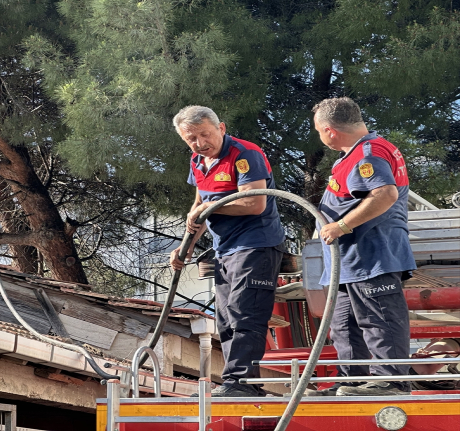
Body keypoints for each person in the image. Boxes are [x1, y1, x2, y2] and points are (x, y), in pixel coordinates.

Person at [169, 105, 285, 397]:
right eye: (191, 139)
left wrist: (213, 206)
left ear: (220, 127)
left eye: (205, 134)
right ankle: (239, 383)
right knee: (226, 319)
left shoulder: (245, 154)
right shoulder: (197, 161)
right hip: (225, 250)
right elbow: (198, 212)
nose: (200, 143)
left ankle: (241, 383)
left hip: (256, 244)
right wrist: (185, 249)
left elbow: (254, 203)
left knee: (245, 315)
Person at [312, 97, 416, 396]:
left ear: (330, 131)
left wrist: (341, 226)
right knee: (344, 326)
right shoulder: (353, 155)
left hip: (371, 254)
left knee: (378, 319)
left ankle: (390, 379)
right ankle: (352, 381)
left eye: (319, 130)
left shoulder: (368, 154)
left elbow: (384, 194)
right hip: (349, 261)